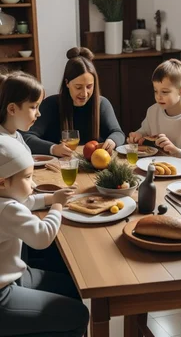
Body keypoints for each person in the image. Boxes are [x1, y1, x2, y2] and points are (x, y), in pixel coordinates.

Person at [0, 136, 89, 336]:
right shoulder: (7, 209)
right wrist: (57, 206)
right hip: (3, 295)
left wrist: (52, 198)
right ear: (3, 182)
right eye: (27, 177)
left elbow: (26, 202)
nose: (32, 184)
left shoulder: (5, 199)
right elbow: (43, 237)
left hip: (14, 276)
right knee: (79, 315)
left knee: (73, 288)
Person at [22, 47, 125, 157]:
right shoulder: (50, 105)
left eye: (89, 86)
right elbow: (27, 137)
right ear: (67, 83)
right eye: (78, 87)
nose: (84, 93)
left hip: (95, 165)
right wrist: (53, 148)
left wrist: (112, 141)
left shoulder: (102, 104)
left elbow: (118, 133)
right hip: (60, 166)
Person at [127, 59, 181, 167]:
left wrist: (177, 152)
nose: (158, 96)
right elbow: (145, 131)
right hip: (157, 170)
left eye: (165, 92)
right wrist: (137, 136)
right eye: (155, 91)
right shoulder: (153, 111)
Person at [0, 70, 44, 151]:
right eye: (34, 107)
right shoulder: (3, 146)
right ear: (12, 109)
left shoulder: (17, 135)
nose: (38, 114)